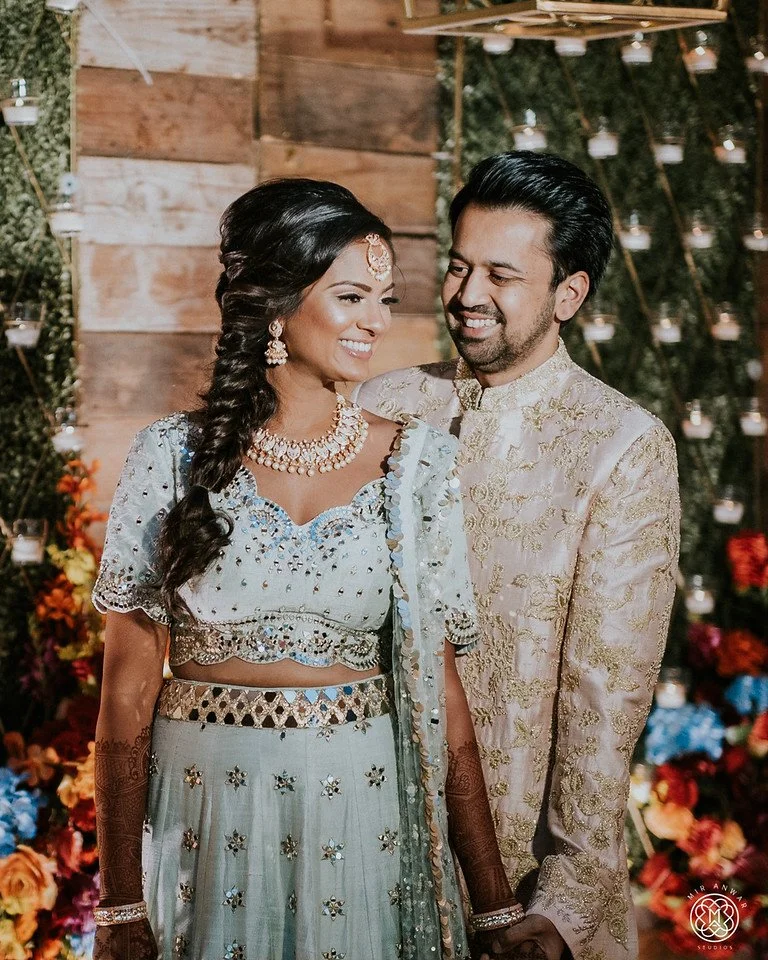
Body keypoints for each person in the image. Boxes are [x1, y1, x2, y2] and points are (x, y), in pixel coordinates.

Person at [90, 178, 525, 960]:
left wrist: (493, 907)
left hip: (359, 817)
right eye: (351, 297)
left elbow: (442, 699)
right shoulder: (170, 457)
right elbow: (124, 696)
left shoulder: (416, 465)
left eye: (384, 301)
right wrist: (120, 905)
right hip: (203, 821)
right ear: (276, 306)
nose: (376, 323)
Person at [355, 152, 681, 960]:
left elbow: (607, 694)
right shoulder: (381, 405)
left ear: (568, 294)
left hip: (519, 885)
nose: (468, 294)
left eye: (501, 275)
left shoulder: (623, 446)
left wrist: (562, 905)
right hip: (359, 845)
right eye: (460, 266)